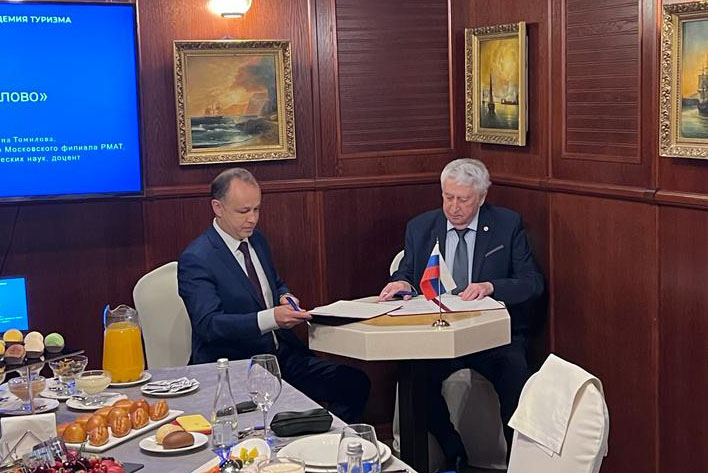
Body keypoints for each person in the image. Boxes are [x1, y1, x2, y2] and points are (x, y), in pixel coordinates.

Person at [378, 158, 544, 468]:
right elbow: (407, 272)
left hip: (491, 338)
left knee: (515, 378)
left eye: (463, 200)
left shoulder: (506, 225)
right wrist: (400, 283)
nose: (454, 208)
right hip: (439, 334)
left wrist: (491, 287)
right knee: (413, 377)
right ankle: (453, 451)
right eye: (448, 197)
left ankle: (519, 465)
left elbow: (531, 283)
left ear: (481, 197)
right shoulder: (421, 227)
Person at [178, 168, 370, 423]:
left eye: (257, 209)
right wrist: (271, 318)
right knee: (283, 415)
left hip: (281, 357)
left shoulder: (256, 241)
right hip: (237, 366)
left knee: (354, 384)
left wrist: (284, 296)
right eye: (243, 211)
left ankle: (323, 437)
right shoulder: (197, 258)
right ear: (218, 207)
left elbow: (274, 283)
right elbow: (208, 325)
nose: (252, 219)